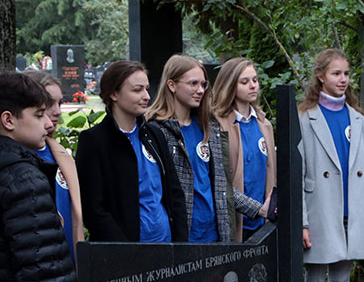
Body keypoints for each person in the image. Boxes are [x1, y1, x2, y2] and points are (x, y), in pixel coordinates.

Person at [298, 48, 364, 282]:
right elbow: (298, 174)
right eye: (336, 73)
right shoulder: (305, 118)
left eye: (346, 73)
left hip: (352, 215)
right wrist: (303, 222)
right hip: (322, 213)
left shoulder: (356, 118)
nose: (343, 79)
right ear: (321, 77)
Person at [0, 72, 88, 282]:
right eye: (38, 115)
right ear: (8, 120)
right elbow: (45, 274)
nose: (47, 122)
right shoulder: (23, 178)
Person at [146, 55, 269, 242]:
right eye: (193, 83)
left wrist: (259, 209)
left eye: (203, 84)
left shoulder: (209, 127)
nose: (200, 90)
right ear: (171, 85)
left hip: (215, 234)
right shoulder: (156, 131)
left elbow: (221, 186)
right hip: (181, 237)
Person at [76, 60, 187, 243]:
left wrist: (181, 242)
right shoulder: (94, 141)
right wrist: (125, 252)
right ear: (113, 93)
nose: (146, 96)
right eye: (137, 90)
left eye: (146, 88)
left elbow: (175, 193)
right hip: (125, 255)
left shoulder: (154, 134)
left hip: (166, 247)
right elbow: (93, 209)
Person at [22, 70, 84, 262]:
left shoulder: (61, 155)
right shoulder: (15, 160)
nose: (57, 111)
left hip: (69, 267)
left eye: (60, 103)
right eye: (49, 104)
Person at [212, 58, 276, 242]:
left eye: (255, 80)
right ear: (230, 85)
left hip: (262, 224)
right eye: (245, 82)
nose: (253, 86)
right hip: (234, 222)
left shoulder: (264, 125)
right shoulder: (217, 123)